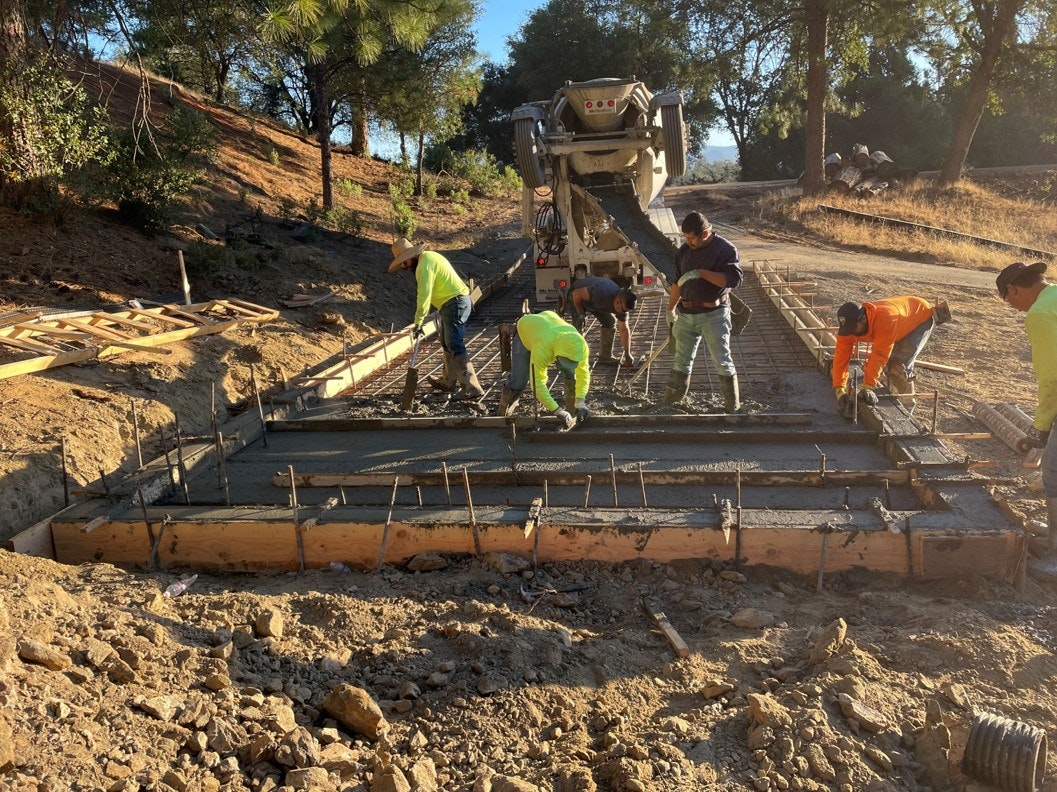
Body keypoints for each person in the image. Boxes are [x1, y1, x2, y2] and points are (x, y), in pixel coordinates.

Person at [996, 261, 1057, 549]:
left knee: (1053, 470)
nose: (1016, 309)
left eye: (1010, 302)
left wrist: (1041, 425)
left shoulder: (1040, 313)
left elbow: (1052, 375)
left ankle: (1055, 546)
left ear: (1012, 289)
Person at [664, 212, 743, 412]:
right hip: (687, 314)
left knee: (721, 359)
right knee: (681, 360)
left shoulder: (725, 250)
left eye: (691, 238)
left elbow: (731, 280)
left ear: (705, 234)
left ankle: (732, 406)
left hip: (714, 314)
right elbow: (677, 283)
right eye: (685, 237)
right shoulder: (683, 251)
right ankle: (672, 403)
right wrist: (670, 308)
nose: (687, 241)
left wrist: (701, 273)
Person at [388, 237, 483, 400]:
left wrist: (418, 322)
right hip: (452, 303)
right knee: (447, 342)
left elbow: (424, 296)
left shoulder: (423, 267)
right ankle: (448, 381)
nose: (404, 266)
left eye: (404, 262)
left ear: (412, 256)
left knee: (454, 343)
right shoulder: (429, 257)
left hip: (455, 302)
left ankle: (472, 386)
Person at [831, 296, 935, 414]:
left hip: (918, 317)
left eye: (852, 328)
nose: (850, 333)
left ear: (864, 319)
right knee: (886, 364)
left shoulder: (885, 319)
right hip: (897, 323)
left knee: (899, 367)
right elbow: (841, 357)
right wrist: (839, 390)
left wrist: (868, 386)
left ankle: (906, 409)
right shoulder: (849, 328)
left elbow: (879, 354)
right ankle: (891, 391)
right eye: (847, 329)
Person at [496, 311, 590, 429]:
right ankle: (503, 412)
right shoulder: (543, 347)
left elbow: (584, 374)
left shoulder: (580, 346)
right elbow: (537, 383)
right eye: (564, 360)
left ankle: (572, 409)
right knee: (520, 379)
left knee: (572, 372)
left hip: (547, 324)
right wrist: (556, 410)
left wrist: (581, 401)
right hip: (526, 329)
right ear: (557, 354)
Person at [566, 276, 640, 368]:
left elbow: (624, 329)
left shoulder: (622, 306)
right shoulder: (601, 292)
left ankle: (605, 357)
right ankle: (574, 359)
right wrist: (581, 314)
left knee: (610, 322)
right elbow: (576, 294)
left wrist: (627, 352)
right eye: (621, 310)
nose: (621, 313)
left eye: (624, 311)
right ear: (617, 302)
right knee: (579, 327)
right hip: (576, 294)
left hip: (594, 302)